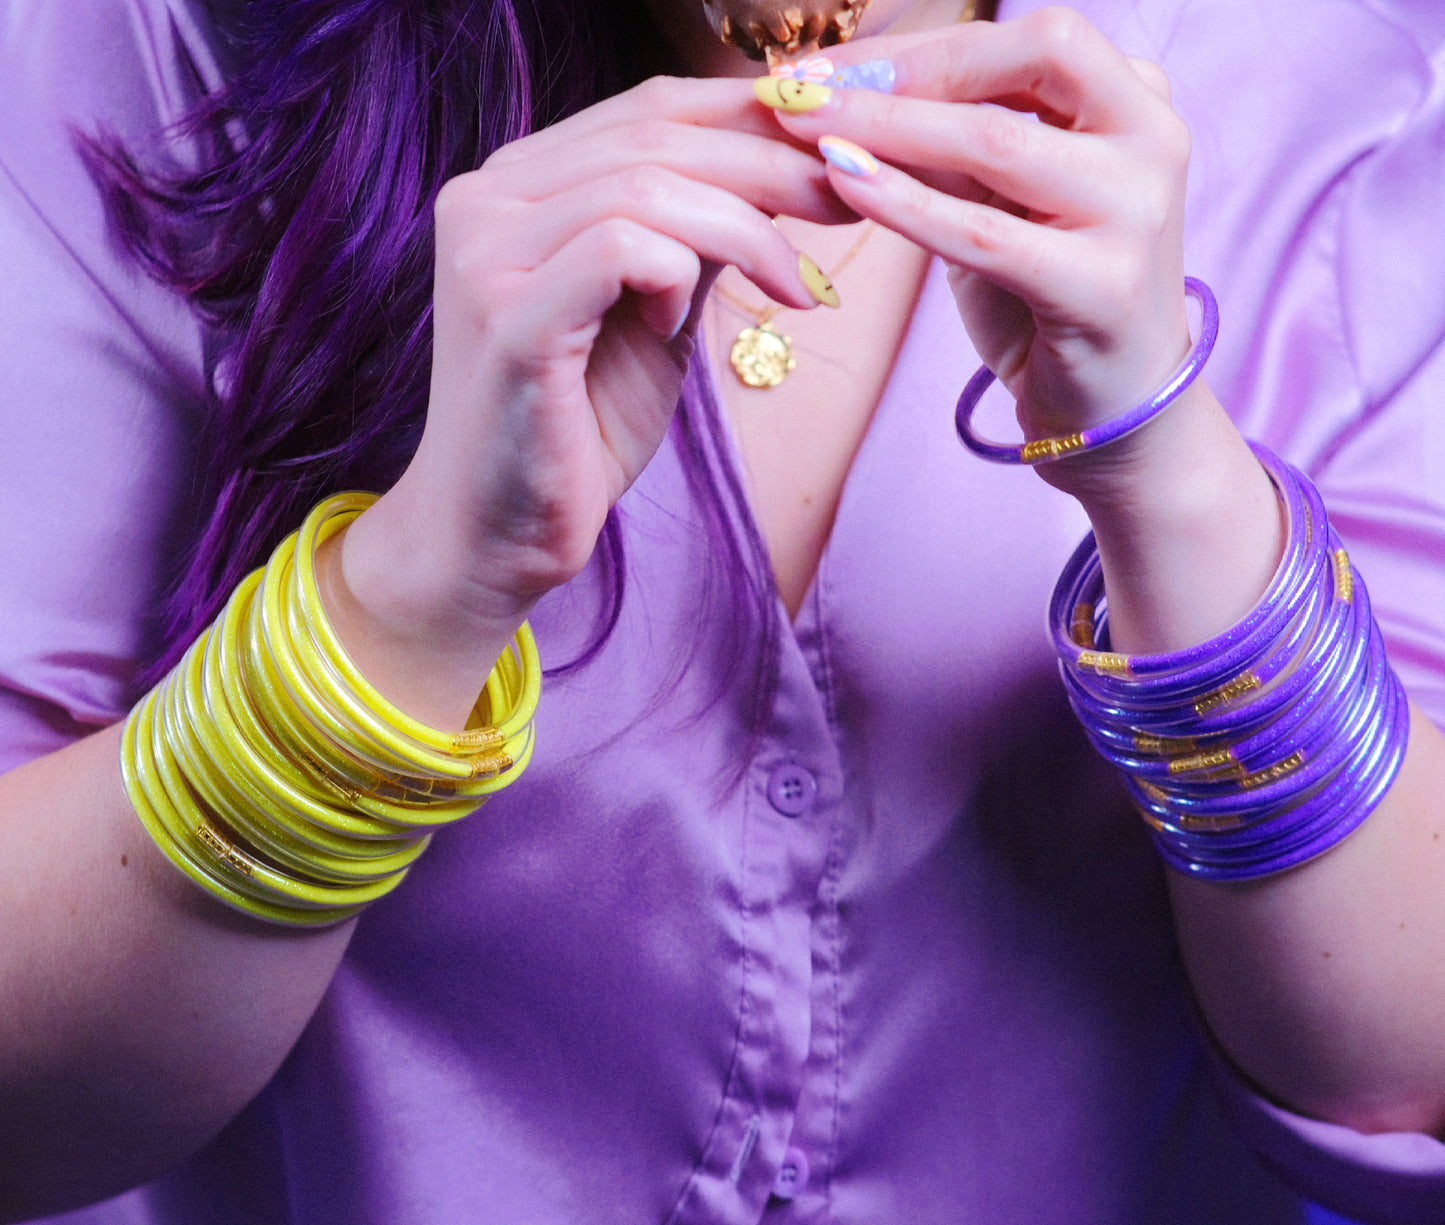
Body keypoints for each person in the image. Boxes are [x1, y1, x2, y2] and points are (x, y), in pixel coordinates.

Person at [2, 0, 1444, 1220]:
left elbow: (1401, 1060)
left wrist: (1166, 467)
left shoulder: (1349, 86)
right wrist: (419, 588)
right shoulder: (144, 49)